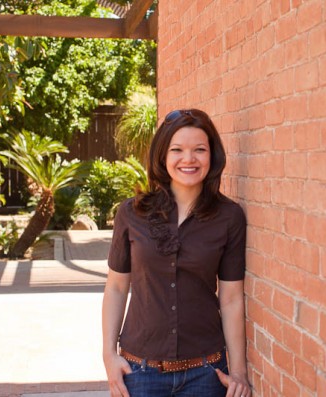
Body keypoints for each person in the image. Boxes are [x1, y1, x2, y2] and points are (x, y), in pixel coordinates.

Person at [102, 109, 252, 397]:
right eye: (177, 150)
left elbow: (232, 298)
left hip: (207, 374)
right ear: (162, 156)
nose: (189, 159)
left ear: (213, 156)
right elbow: (116, 287)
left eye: (199, 149)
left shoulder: (229, 217)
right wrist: (109, 355)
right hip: (140, 373)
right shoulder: (130, 213)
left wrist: (239, 372)